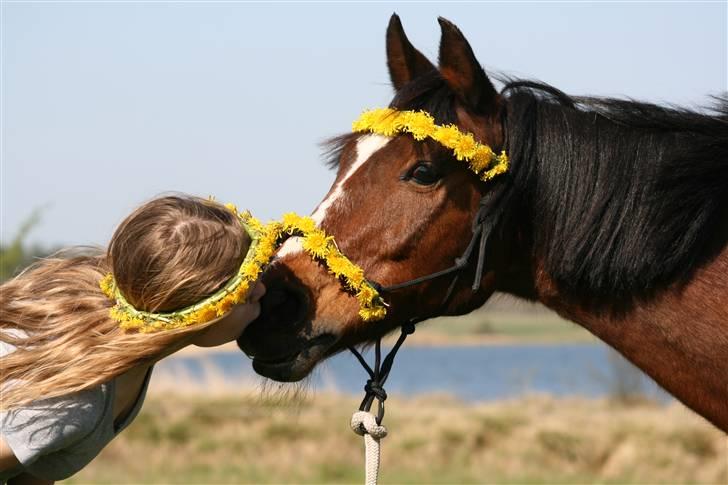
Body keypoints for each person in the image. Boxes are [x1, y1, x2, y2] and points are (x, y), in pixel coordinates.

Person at [0, 195, 266, 484]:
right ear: (199, 312)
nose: (263, 291)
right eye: (248, 295)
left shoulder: (119, 359)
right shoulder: (77, 400)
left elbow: (35, 465)